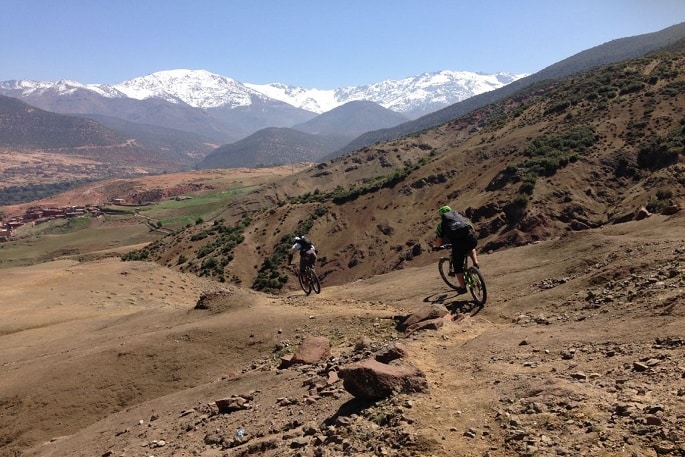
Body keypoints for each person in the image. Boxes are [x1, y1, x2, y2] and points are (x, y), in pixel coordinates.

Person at [433, 205, 479, 294]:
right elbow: (471, 227)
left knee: (457, 267)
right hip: (471, 239)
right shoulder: (460, 217)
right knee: (471, 247)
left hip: (458, 245)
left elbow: (439, 240)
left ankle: (462, 288)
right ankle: (475, 263)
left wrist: (437, 247)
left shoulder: (442, 225)